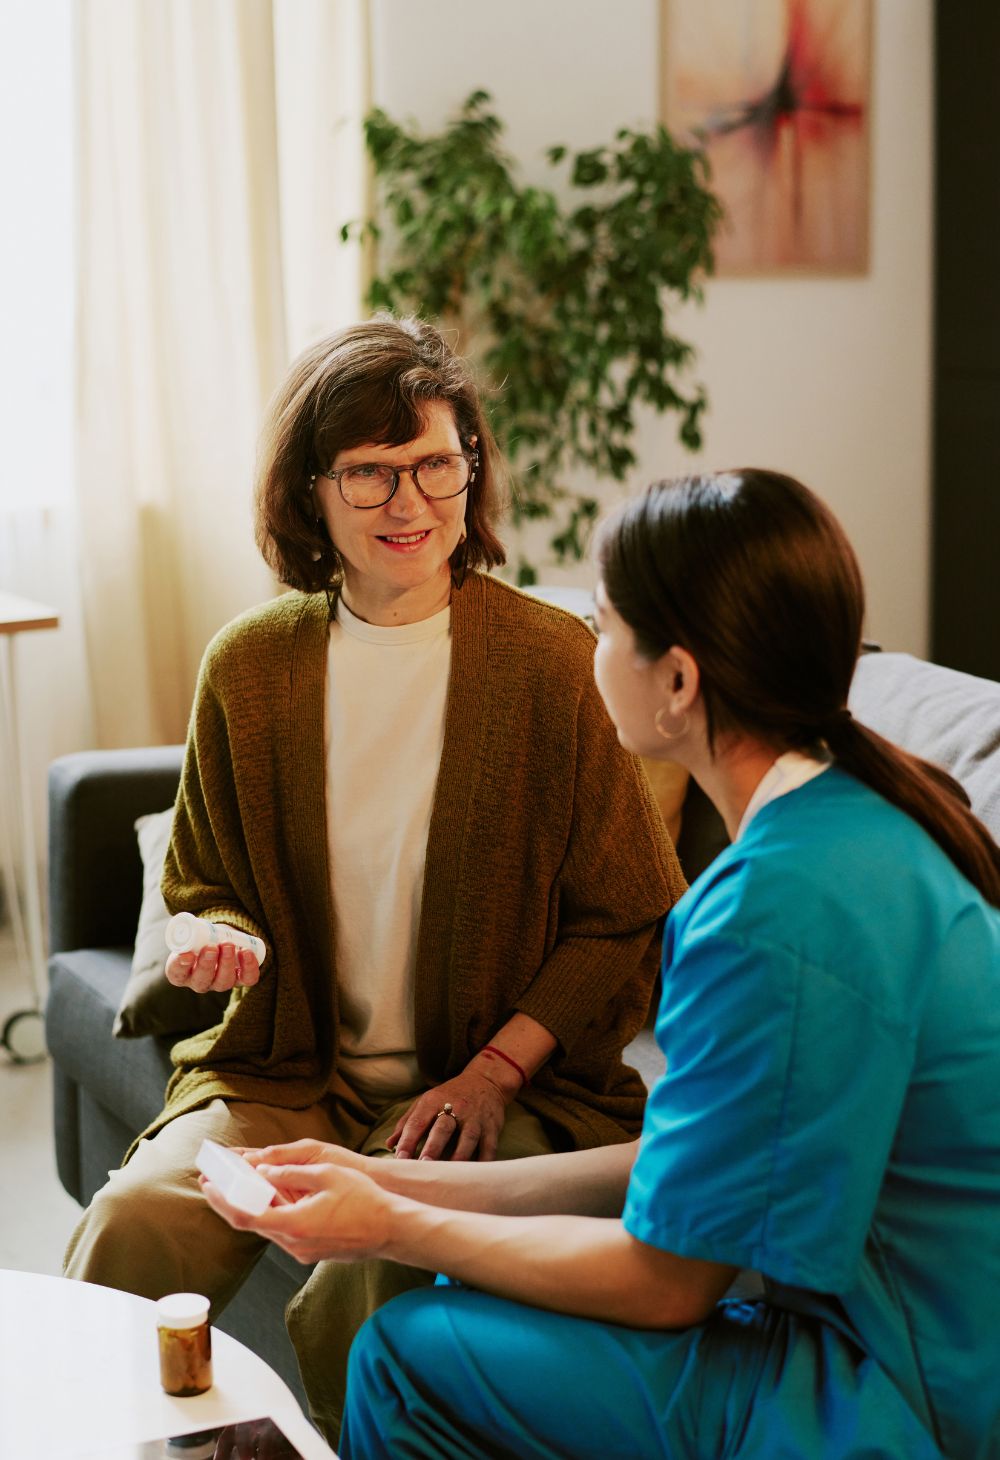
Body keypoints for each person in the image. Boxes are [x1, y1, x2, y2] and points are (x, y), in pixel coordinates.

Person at [201, 468, 1000, 1460]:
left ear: (677, 680)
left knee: (407, 1347)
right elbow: (693, 1169)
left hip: (895, 1393)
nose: (589, 652)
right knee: (459, 1292)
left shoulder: (767, 907)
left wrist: (384, 1226)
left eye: (606, 625)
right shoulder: (874, 812)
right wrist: (384, 1180)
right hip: (929, 1346)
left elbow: (670, 1282)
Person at [63, 317, 684, 1443]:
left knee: (368, 1268)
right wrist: (220, 934)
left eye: (435, 464)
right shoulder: (250, 667)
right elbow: (205, 877)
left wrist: (494, 1072)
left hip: (489, 1093)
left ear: (471, 470)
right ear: (312, 493)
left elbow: (626, 913)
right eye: (369, 472)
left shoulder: (556, 664)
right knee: (133, 1217)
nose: (409, 503)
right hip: (288, 1069)